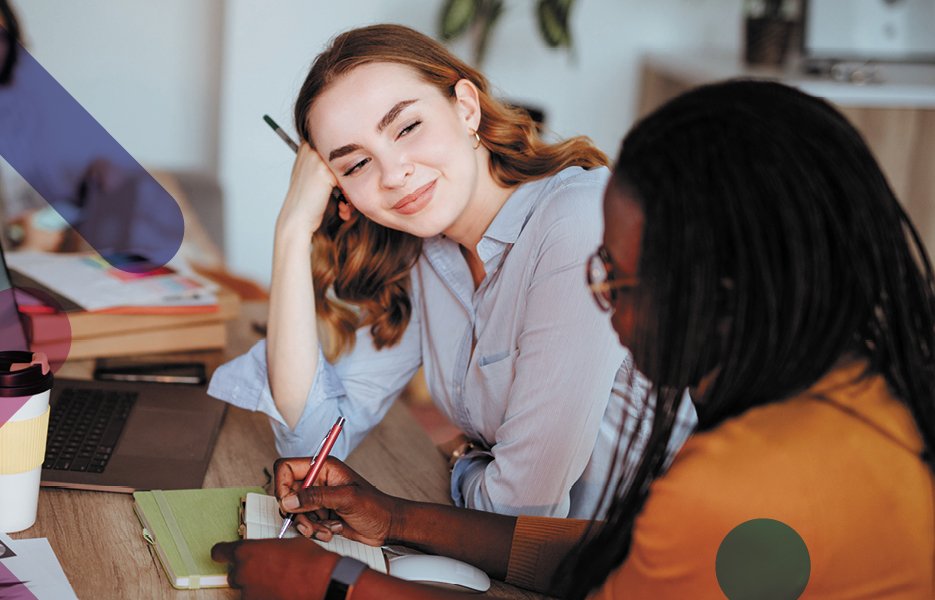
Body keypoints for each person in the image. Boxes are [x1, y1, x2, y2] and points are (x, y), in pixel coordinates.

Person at [212, 79, 935, 599]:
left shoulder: (733, 486)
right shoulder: (849, 403)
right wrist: (398, 517)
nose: (602, 310)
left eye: (616, 282)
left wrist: (342, 589)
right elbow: (614, 555)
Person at [207, 23, 695, 520]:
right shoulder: (428, 252)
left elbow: (521, 514)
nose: (394, 174)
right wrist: (292, 230)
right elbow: (312, 443)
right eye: (355, 166)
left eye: (407, 127)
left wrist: (460, 461)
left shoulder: (577, 223)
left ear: (466, 106)